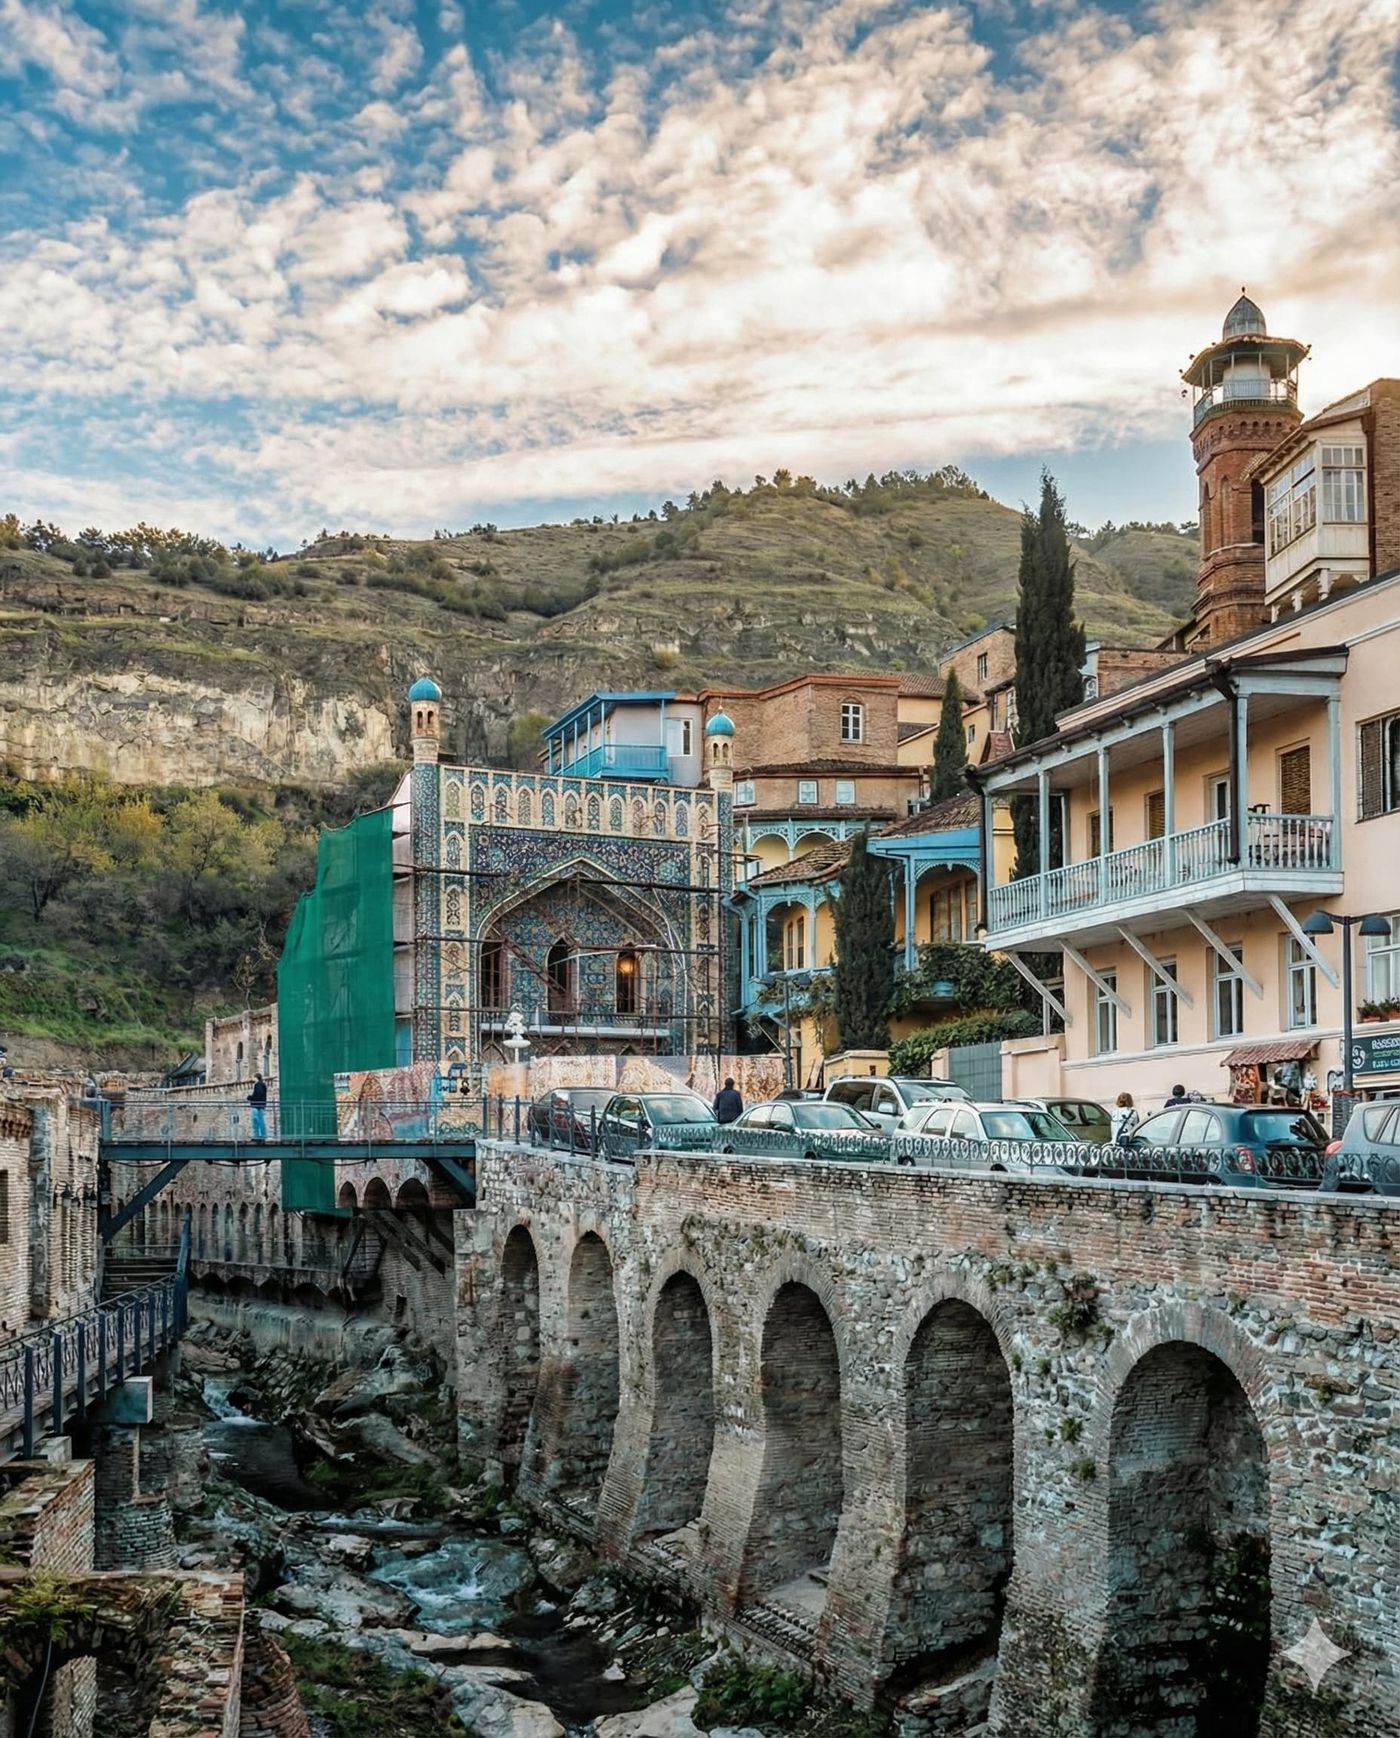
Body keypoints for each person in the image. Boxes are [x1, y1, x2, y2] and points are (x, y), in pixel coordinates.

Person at [248, 1072, 269, 1143]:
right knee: (260, 1121)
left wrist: (250, 1097)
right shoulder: (262, 1085)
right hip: (261, 1105)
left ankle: (258, 1137)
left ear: (256, 1078)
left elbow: (258, 1095)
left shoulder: (258, 1085)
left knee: (256, 1121)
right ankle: (261, 1137)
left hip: (257, 1105)